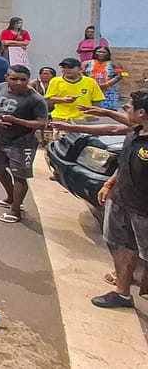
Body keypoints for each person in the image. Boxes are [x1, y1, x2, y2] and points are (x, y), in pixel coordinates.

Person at [53, 92, 148, 308]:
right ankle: (122, 293)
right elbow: (114, 138)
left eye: (129, 107)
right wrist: (110, 184)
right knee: (119, 245)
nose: (125, 109)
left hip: (144, 211)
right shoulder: (136, 130)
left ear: (142, 113)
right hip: (121, 202)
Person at [0, 65, 49, 224]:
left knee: (20, 176)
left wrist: (17, 121)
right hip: (0, 138)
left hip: (23, 143)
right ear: (6, 78)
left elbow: (42, 123)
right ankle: (10, 197)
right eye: (14, 79)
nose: (19, 83)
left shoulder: (36, 99)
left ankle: (15, 210)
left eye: (23, 79)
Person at [46, 57, 104, 122]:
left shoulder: (90, 82)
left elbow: (96, 101)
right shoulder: (55, 81)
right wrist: (63, 99)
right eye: (64, 68)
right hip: (61, 117)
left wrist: (94, 115)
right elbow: (48, 99)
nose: (67, 70)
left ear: (80, 69)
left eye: (71, 68)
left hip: (84, 118)